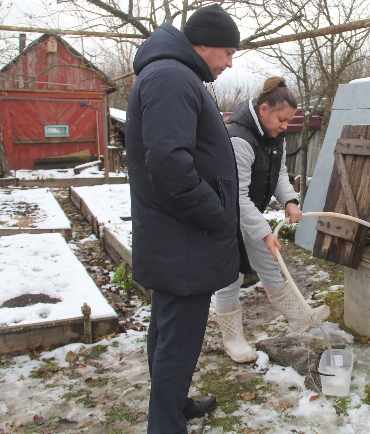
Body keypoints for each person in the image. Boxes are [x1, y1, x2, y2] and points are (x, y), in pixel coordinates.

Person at [125, 4, 247, 433]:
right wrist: (216, 214)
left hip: (176, 237)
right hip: (185, 239)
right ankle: (166, 423)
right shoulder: (172, 77)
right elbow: (169, 165)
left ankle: (173, 405)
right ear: (205, 43)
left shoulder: (172, 74)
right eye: (228, 52)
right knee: (178, 341)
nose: (229, 62)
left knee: (167, 329)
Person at [214, 77, 330, 363]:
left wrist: (290, 200)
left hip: (249, 212)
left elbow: (278, 174)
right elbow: (236, 196)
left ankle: (299, 317)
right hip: (226, 216)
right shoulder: (240, 139)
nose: (284, 126)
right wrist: (265, 231)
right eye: (281, 119)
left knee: (270, 261)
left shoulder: (272, 136)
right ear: (263, 108)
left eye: (288, 121)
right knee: (231, 277)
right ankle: (233, 339)